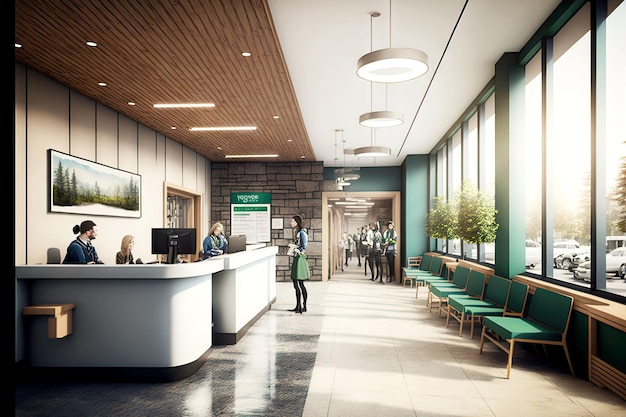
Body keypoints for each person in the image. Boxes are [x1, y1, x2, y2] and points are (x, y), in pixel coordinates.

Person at [288, 215, 309, 314]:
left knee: (300, 283)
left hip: (300, 258)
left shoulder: (302, 233)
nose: (291, 223)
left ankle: (303, 306)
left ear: (296, 222)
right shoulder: (297, 232)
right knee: (296, 283)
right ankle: (298, 306)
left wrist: (297, 249)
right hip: (297, 258)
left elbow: (303, 246)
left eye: (292, 221)